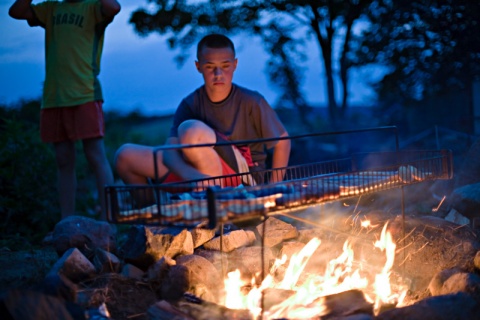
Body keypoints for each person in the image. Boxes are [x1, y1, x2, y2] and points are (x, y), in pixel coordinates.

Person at [115, 34, 291, 195]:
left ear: (235, 65)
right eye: (210, 67)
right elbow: (170, 152)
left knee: (192, 131)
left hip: (241, 180)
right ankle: (152, 219)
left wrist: (272, 190)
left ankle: (217, 208)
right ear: (198, 66)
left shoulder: (251, 101)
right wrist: (194, 176)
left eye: (225, 66)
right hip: (197, 174)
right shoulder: (190, 103)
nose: (218, 74)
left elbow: (283, 142)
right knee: (125, 156)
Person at [8, 0, 121, 220]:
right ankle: (66, 222)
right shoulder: (51, 8)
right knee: (63, 160)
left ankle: (110, 222)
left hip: (85, 93)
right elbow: (16, 11)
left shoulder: (92, 7)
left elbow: (114, 8)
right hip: (55, 96)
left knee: (95, 155)